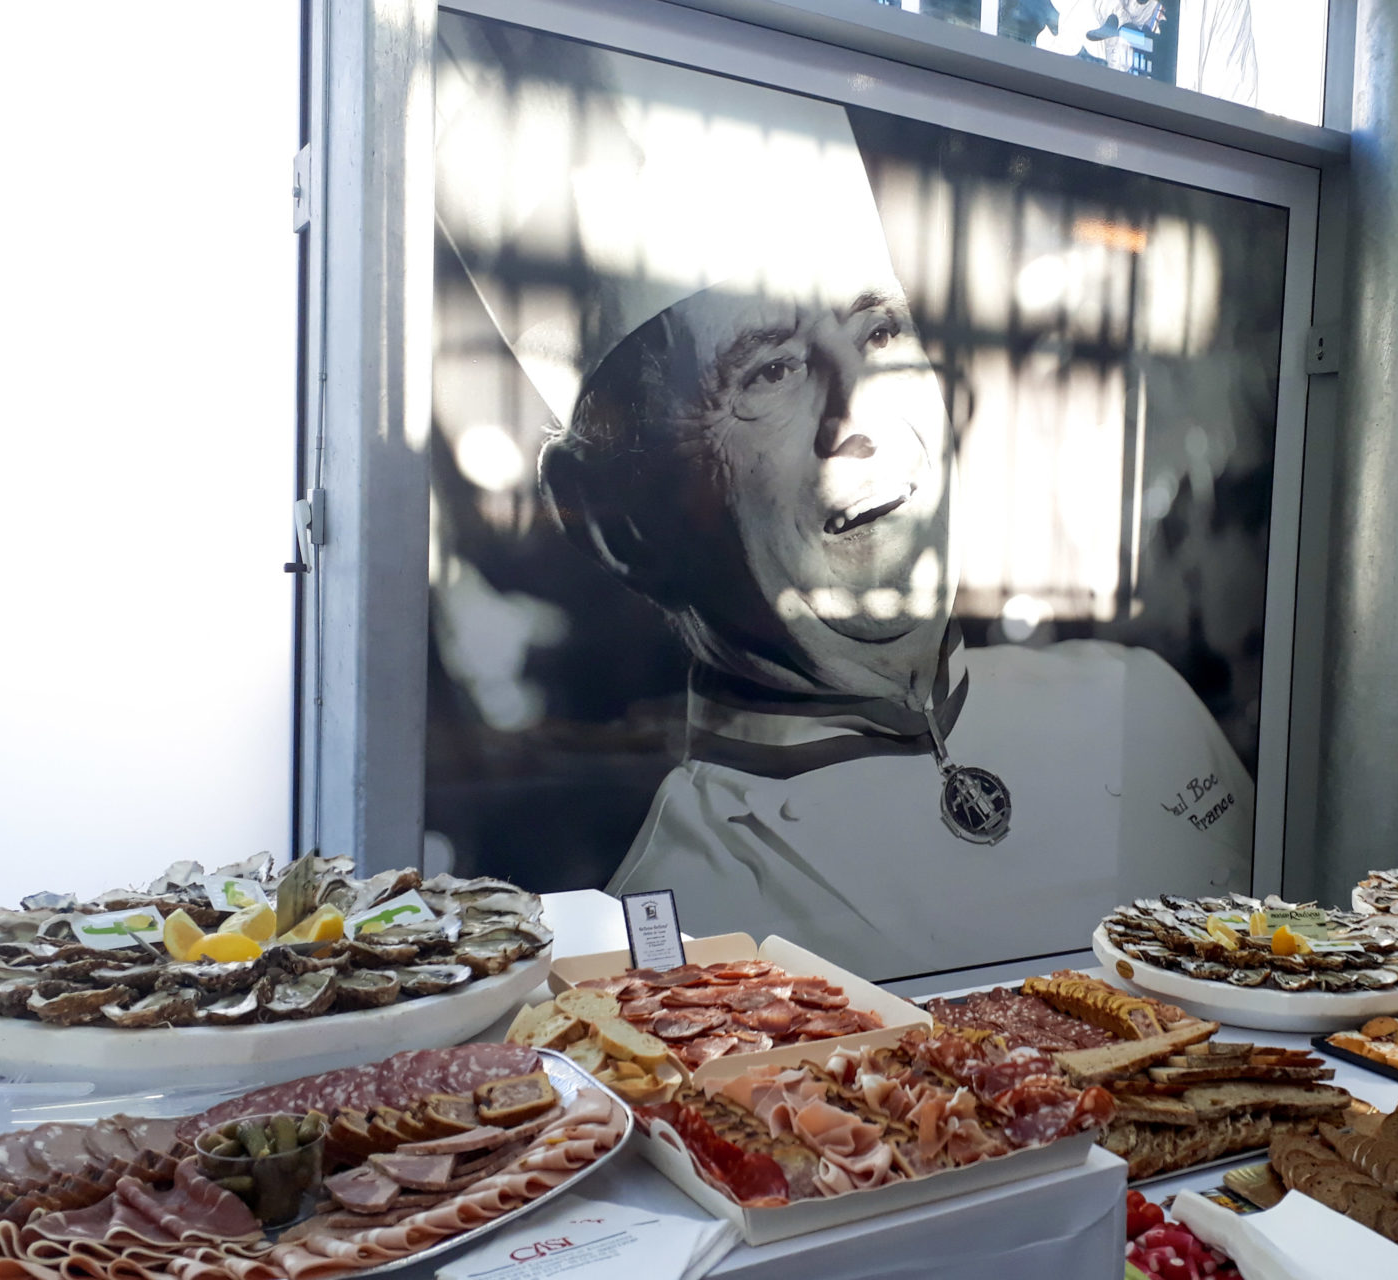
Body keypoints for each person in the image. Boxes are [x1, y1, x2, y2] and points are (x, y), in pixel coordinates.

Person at [434, 17, 1255, 977]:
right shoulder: (687, 920)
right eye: (771, 371)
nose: (859, 415)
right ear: (614, 519)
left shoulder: (1139, 704)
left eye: (879, 333)